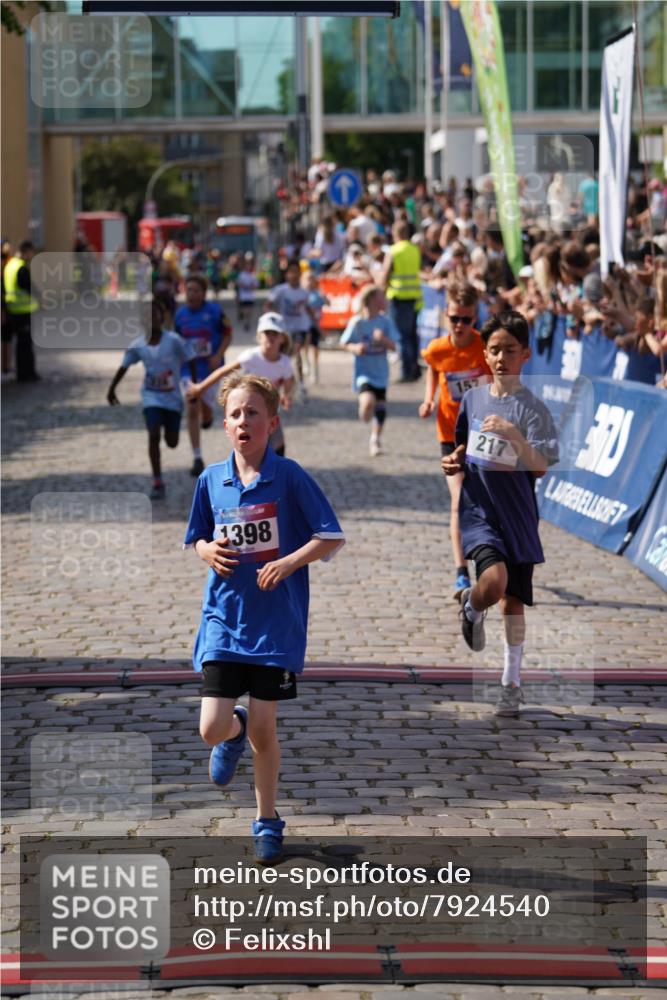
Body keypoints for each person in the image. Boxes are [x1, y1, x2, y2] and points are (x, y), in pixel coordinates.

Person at [184, 372, 345, 864]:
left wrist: (290, 561)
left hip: (276, 628)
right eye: (234, 413)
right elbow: (196, 537)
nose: (243, 421)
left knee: (264, 731)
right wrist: (207, 549)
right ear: (225, 425)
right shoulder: (212, 479)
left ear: (272, 423)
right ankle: (229, 728)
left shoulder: (290, 476)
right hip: (224, 620)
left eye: (253, 413)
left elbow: (331, 536)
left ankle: (267, 819)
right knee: (211, 728)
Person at [442, 311, 559, 717]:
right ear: (484, 354)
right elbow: (461, 444)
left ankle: (512, 681)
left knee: (513, 602)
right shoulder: (473, 398)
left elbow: (541, 464)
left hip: (520, 517)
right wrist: (455, 458)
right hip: (480, 513)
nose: (500, 357)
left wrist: (513, 434)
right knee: (493, 583)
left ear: (525, 354)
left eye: (510, 350)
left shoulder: (535, 408)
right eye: (493, 350)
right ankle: (472, 607)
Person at [419, 281, 491, 597]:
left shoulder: (484, 346)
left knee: (485, 500)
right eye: (455, 319)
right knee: (459, 498)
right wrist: (429, 398)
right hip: (450, 435)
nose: (460, 326)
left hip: (482, 436)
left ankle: (489, 556)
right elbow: (433, 369)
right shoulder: (437, 348)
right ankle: (461, 570)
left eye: (467, 320)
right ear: (445, 315)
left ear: (475, 319)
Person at [107, 300, 197, 499]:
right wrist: (112, 389)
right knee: (153, 434)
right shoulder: (138, 345)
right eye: (147, 317)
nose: (152, 320)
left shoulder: (174, 340)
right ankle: (157, 481)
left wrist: (194, 388)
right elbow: (124, 366)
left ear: (162, 317)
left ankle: (170, 432)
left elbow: (190, 358)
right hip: (151, 397)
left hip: (173, 399)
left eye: (156, 315)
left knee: (172, 442)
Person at [187, 312, 295, 456]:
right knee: (250, 445)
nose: (270, 337)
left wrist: (286, 396)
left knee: (278, 447)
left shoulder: (285, 363)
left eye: (275, 333)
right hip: (249, 411)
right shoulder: (251, 356)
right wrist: (201, 388)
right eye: (267, 333)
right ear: (259, 336)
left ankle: (277, 474)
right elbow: (223, 371)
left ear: (282, 338)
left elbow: (289, 382)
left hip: (270, 411)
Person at [175, 274, 232, 476]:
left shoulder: (215, 311)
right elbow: (176, 341)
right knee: (192, 406)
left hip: (210, 369)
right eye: (188, 290)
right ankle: (197, 457)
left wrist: (218, 355)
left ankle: (207, 415)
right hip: (188, 369)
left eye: (196, 290)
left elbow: (228, 333)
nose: (192, 294)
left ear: (204, 293)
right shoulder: (180, 315)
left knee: (205, 409)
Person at [340, 285, 396, 457]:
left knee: (380, 407)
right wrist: (356, 348)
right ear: (372, 300)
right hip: (364, 373)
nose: (385, 300)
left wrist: (383, 340)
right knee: (367, 403)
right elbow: (344, 343)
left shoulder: (385, 322)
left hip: (381, 373)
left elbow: (394, 346)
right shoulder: (358, 322)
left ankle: (375, 439)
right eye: (382, 297)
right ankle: (365, 414)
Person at [382, 219, 423, 382]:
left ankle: (407, 372)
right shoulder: (415, 250)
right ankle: (415, 369)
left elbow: (384, 275)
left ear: (395, 233)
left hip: (399, 298)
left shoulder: (393, 251)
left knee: (402, 336)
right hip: (414, 297)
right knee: (412, 335)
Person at [268, 260, 314, 399]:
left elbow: (307, 308)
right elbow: (268, 305)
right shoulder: (280, 290)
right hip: (284, 329)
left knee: (297, 351)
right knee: (284, 357)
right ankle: (282, 383)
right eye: (291, 272)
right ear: (287, 275)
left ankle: (301, 383)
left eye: (296, 272)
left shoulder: (304, 292)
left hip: (300, 327)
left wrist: (316, 323)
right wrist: (271, 319)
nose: (293, 275)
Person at [3, 239, 40, 381]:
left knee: (20, 344)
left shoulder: (10, 265)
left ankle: (22, 373)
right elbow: (28, 287)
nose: (32, 256)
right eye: (32, 253)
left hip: (12, 309)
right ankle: (27, 374)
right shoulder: (21, 267)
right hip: (22, 311)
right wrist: (42, 298)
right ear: (27, 251)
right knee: (25, 345)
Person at [303, 271, 328, 384]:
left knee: (315, 348)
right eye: (307, 279)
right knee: (305, 342)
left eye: (311, 279)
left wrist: (324, 296)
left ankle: (315, 369)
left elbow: (328, 303)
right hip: (304, 324)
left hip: (315, 324)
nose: (309, 282)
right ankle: (305, 362)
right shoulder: (302, 293)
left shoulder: (317, 294)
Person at [235, 253, 259, 331]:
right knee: (245, 310)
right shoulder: (242, 274)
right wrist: (244, 286)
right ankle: (244, 318)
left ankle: (247, 322)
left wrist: (252, 286)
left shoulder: (253, 275)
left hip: (250, 296)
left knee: (250, 311)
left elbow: (256, 285)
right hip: (243, 296)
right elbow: (239, 283)